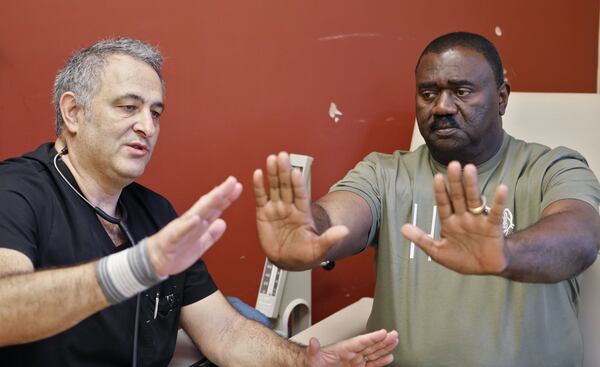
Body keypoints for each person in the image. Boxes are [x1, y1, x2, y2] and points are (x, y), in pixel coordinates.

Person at [0, 37, 399, 367]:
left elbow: (225, 333)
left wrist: (308, 361)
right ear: (73, 112)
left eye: (156, 112)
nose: (147, 126)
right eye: (128, 107)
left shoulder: (155, 213)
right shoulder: (17, 191)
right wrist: (135, 268)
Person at [254, 32, 600, 366]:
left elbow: (581, 235)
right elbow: (339, 217)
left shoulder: (551, 167)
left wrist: (507, 254)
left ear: (502, 97)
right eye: (428, 93)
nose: (442, 107)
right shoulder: (384, 172)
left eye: (462, 91)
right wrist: (310, 231)